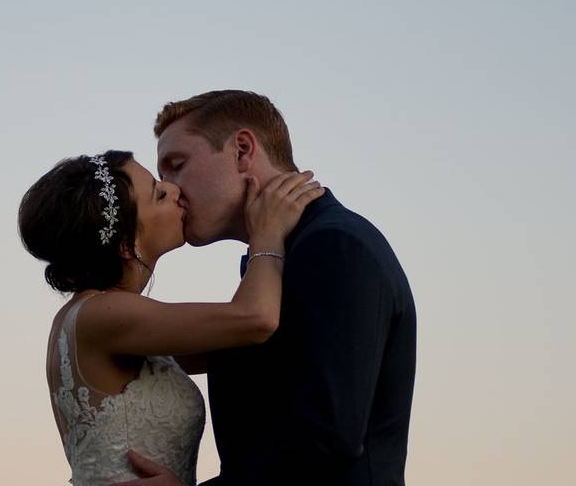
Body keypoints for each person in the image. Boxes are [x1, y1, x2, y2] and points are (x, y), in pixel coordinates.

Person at [118, 90, 416, 485]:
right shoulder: (274, 261)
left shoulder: (334, 245)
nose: (171, 189)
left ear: (242, 150)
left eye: (176, 165)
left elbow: (327, 438)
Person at [18, 150, 324, 485]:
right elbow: (256, 319)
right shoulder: (102, 315)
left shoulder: (110, 318)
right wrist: (267, 232)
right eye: (159, 194)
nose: (175, 190)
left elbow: (243, 343)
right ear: (124, 243)